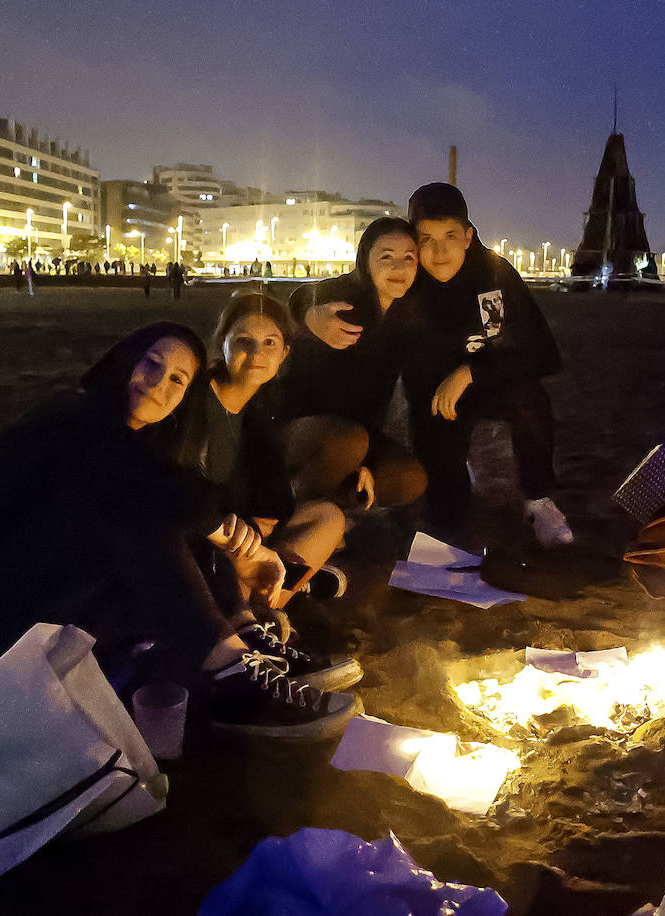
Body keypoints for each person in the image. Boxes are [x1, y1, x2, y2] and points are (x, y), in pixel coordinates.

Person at [0, 322, 358, 735]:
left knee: (172, 516)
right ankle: (229, 679)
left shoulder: (143, 444)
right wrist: (246, 547)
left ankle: (242, 639)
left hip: (62, 595)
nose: (157, 383)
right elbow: (153, 492)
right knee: (146, 516)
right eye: (151, 362)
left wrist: (235, 547)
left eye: (177, 380)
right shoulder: (73, 419)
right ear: (125, 358)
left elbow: (194, 496)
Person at [194, 294, 359, 689]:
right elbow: (191, 498)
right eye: (244, 341)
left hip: (247, 534)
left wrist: (262, 529)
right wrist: (247, 533)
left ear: (284, 352)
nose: (257, 353)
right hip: (208, 536)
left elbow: (274, 497)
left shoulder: (261, 405)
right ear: (223, 345)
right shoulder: (199, 402)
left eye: (270, 342)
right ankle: (261, 625)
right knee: (237, 556)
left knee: (328, 517)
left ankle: (268, 610)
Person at [398, 182, 573, 547]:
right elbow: (353, 289)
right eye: (426, 239)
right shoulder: (405, 277)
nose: (439, 250)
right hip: (435, 396)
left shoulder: (493, 274)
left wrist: (470, 372)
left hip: (494, 382)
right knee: (448, 516)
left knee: (531, 402)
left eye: (449, 235)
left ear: (467, 235)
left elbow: (539, 350)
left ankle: (538, 500)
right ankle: (456, 478)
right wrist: (310, 307)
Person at [283, 217, 428, 513]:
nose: (399, 267)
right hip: (300, 429)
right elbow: (300, 297)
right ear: (365, 260)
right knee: (348, 442)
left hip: (359, 436)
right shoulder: (343, 301)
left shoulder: (406, 316)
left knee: (411, 478)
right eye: (386, 257)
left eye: (408, 257)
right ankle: (288, 511)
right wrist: (308, 314)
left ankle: (334, 510)